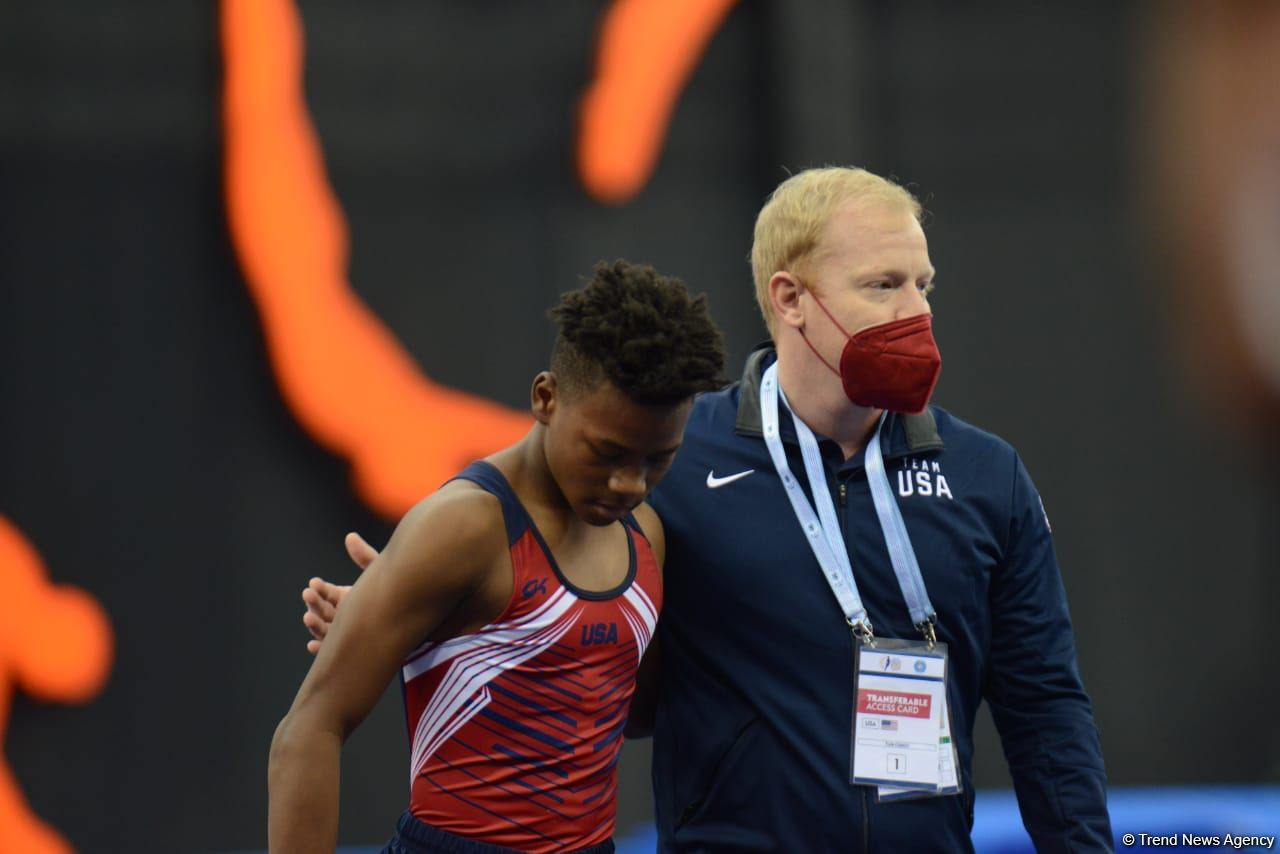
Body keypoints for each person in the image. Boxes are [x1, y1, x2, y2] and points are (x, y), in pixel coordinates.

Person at [304, 168, 1112, 852]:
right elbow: (560, 612)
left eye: (923, 283)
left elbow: (1044, 704)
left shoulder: (985, 476)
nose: (918, 311)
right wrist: (430, 607)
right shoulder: (673, 460)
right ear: (790, 299)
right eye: (883, 285)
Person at [269, 259, 725, 853]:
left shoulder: (646, 536)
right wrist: (410, 614)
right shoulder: (463, 527)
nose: (629, 484)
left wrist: (439, 630)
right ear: (545, 398)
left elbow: (633, 714)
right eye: (608, 453)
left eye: (656, 459)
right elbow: (307, 731)